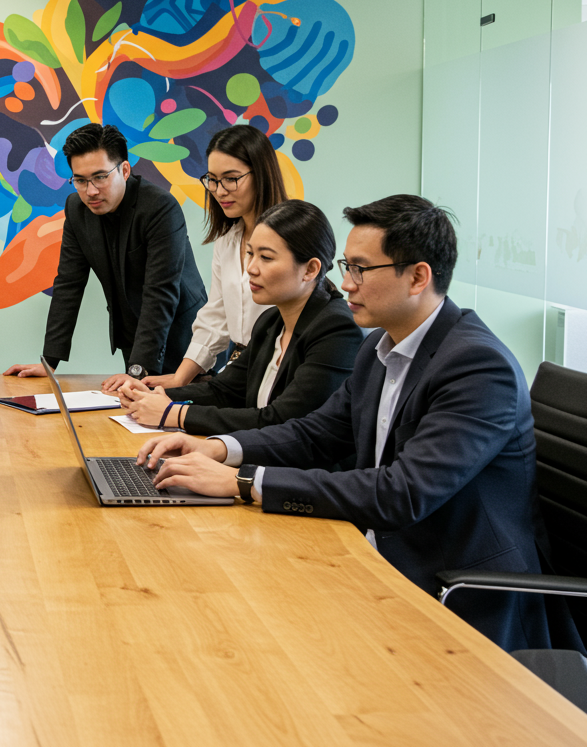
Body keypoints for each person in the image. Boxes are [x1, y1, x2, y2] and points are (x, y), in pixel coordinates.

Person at [138, 195, 566, 651]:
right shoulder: (380, 348)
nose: (345, 284)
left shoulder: (477, 367)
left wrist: (241, 482)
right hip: (377, 559)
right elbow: (315, 433)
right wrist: (218, 448)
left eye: (361, 270)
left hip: (459, 596)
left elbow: (401, 492)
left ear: (418, 276)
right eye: (347, 266)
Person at [116, 200, 362, 435]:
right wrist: (152, 393)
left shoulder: (336, 328)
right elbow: (222, 391)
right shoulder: (270, 321)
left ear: (310, 269)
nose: (251, 269)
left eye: (266, 257)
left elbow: (280, 420)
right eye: (250, 254)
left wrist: (176, 414)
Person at [4, 123, 206, 385]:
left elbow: (161, 293)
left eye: (100, 177)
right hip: (135, 338)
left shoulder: (159, 208)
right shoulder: (77, 209)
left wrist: (137, 371)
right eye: (80, 180)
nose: (91, 191)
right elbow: (68, 283)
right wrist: (49, 362)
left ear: (124, 170)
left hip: (186, 337)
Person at [148, 125, 289, 390]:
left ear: (261, 174)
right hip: (238, 368)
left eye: (231, 178)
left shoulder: (293, 236)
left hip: (281, 371)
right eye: (212, 179)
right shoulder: (227, 241)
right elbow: (216, 317)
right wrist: (179, 379)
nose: (219, 190)